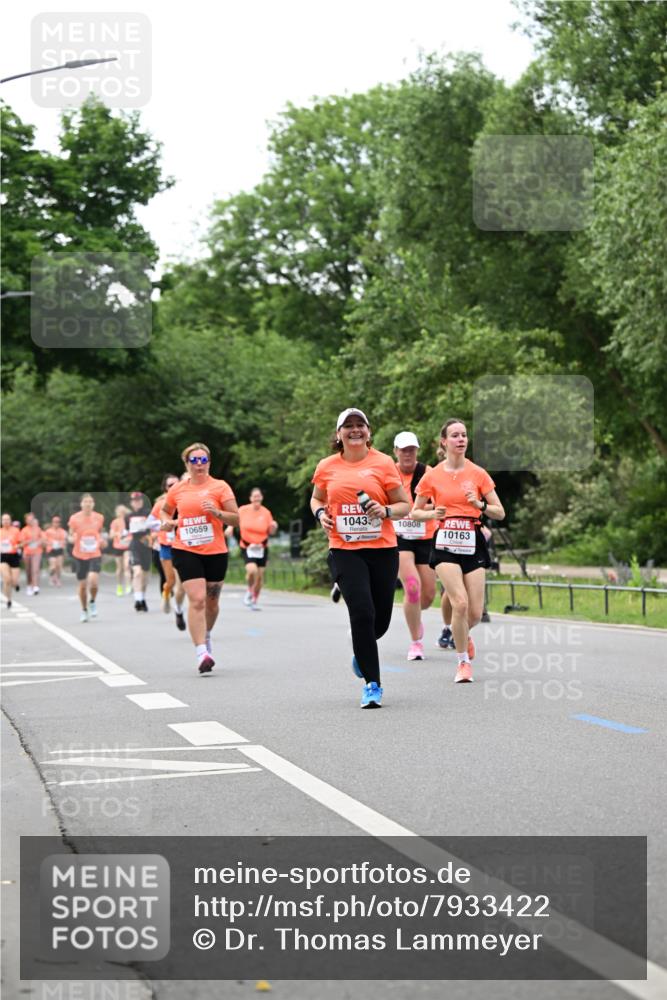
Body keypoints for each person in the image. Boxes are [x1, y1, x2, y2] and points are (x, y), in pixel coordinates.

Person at [310, 408, 410, 709]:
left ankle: (361, 647)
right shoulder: (327, 466)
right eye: (348, 426)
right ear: (338, 434)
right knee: (362, 613)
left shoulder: (383, 463)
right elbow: (316, 498)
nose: (355, 430)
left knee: (380, 621)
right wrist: (320, 514)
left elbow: (404, 505)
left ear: (369, 432)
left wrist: (385, 511)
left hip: (382, 549)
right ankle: (372, 683)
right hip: (344, 549)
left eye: (360, 425)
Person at [411, 418, 505, 683]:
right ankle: (463, 662)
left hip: (472, 540)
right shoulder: (432, 475)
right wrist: (432, 513)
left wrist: (480, 505)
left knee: (474, 613)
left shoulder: (478, 473)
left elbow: (500, 512)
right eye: (455, 435)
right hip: (445, 542)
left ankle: (463, 633)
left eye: (464, 435)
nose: (461, 439)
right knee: (459, 603)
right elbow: (415, 512)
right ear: (444, 441)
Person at [161, 443, 239, 674]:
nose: (199, 465)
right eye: (194, 460)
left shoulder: (220, 487)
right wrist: (167, 522)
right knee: (196, 600)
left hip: (215, 551)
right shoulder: (178, 489)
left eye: (203, 460)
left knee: (211, 603)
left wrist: (217, 513)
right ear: (187, 464)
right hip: (185, 549)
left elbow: (236, 519)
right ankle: (201, 653)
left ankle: (206, 634)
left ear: (209, 462)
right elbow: (165, 510)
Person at [392, 431, 438, 660]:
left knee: (428, 596)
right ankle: (415, 642)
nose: (408, 454)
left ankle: (415, 616)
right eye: (403, 450)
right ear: (396, 452)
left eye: (411, 449)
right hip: (399, 537)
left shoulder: (428, 473)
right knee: (412, 587)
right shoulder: (389, 473)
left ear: (417, 451)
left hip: (425, 536)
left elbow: (440, 504)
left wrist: (417, 511)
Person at [150, 474, 187, 630]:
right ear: (165, 488)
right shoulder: (160, 504)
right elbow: (150, 522)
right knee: (170, 581)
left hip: (182, 546)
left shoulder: (185, 501)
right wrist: (161, 527)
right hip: (166, 546)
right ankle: (166, 593)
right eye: (170, 485)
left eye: (176, 484)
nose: (173, 487)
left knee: (181, 583)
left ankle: (179, 610)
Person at [67, 494, 106, 622]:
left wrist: (102, 540)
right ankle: (84, 610)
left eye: (90, 501)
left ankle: (92, 601)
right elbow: (70, 534)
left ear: (93, 504)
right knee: (83, 586)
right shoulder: (74, 518)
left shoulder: (99, 517)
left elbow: (100, 533)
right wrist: (71, 539)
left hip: (95, 553)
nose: (88, 504)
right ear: (81, 504)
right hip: (79, 554)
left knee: (93, 581)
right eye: (85, 501)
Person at [238, 488, 278, 610]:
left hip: (262, 548)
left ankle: (254, 600)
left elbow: (271, 531)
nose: (257, 498)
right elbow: (233, 520)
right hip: (247, 546)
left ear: (261, 498)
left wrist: (274, 527)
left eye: (258, 496)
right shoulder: (243, 510)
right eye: (254, 496)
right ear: (250, 498)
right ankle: (249, 591)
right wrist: (229, 528)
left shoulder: (266, 513)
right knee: (252, 570)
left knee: (260, 577)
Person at [125, 492, 153, 612]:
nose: (137, 502)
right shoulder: (128, 516)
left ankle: (142, 597)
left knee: (145, 575)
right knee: (137, 572)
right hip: (135, 545)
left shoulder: (148, 513)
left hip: (146, 545)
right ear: (131, 503)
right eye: (135, 500)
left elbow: (154, 527)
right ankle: (138, 600)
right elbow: (127, 531)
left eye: (139, 500)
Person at [19, 513, 45, 596]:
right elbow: (21, 543)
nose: (31, 521)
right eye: (29, 519)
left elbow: (43, 539)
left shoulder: (38, 529)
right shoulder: (24, 530)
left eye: (32, 519)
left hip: (37, 552)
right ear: (26, 521)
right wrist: (29, 541)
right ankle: (29, 585)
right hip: (27, 552)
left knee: (35, 569)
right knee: (28, 571)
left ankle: (35, 586)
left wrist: (39, 541)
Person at [109, 505, 132, 596]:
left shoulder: (130, 521)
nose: (122, 513)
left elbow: (134, 533)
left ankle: (128, 586)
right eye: (120, 511)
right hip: (118, 547)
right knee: (119, 568)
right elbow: (111, 535)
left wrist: (129, 538)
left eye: (123, 511)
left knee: (127, 566)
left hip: (128, 546)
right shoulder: (115, 522)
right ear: (117, 513)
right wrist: (117, 534)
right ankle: (119, 586)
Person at [1, 513, 22, 608]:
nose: (5, 521)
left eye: (7, 519)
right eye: (4, 519)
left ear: (10, 520)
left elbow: (22, 542)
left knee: (14, 580)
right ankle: (8, 599)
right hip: (3, 556)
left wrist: (18, 545)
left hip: (13, 555)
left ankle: (16, 584)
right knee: (7, 579)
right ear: (1, 521)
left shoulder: (16, 531)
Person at [44, 515, 67, 586]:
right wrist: (50, 543)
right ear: (52, 522)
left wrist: (62, 543)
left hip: (59, 549)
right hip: (51, 549)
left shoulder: (62, 531)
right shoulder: (48, 531)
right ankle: (52, 577)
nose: (56, 523)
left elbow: (64, 540)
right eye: (55, 522)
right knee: (53, 566)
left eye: (58, 522)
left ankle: (57, 579)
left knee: (59, 566)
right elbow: (44, 541)